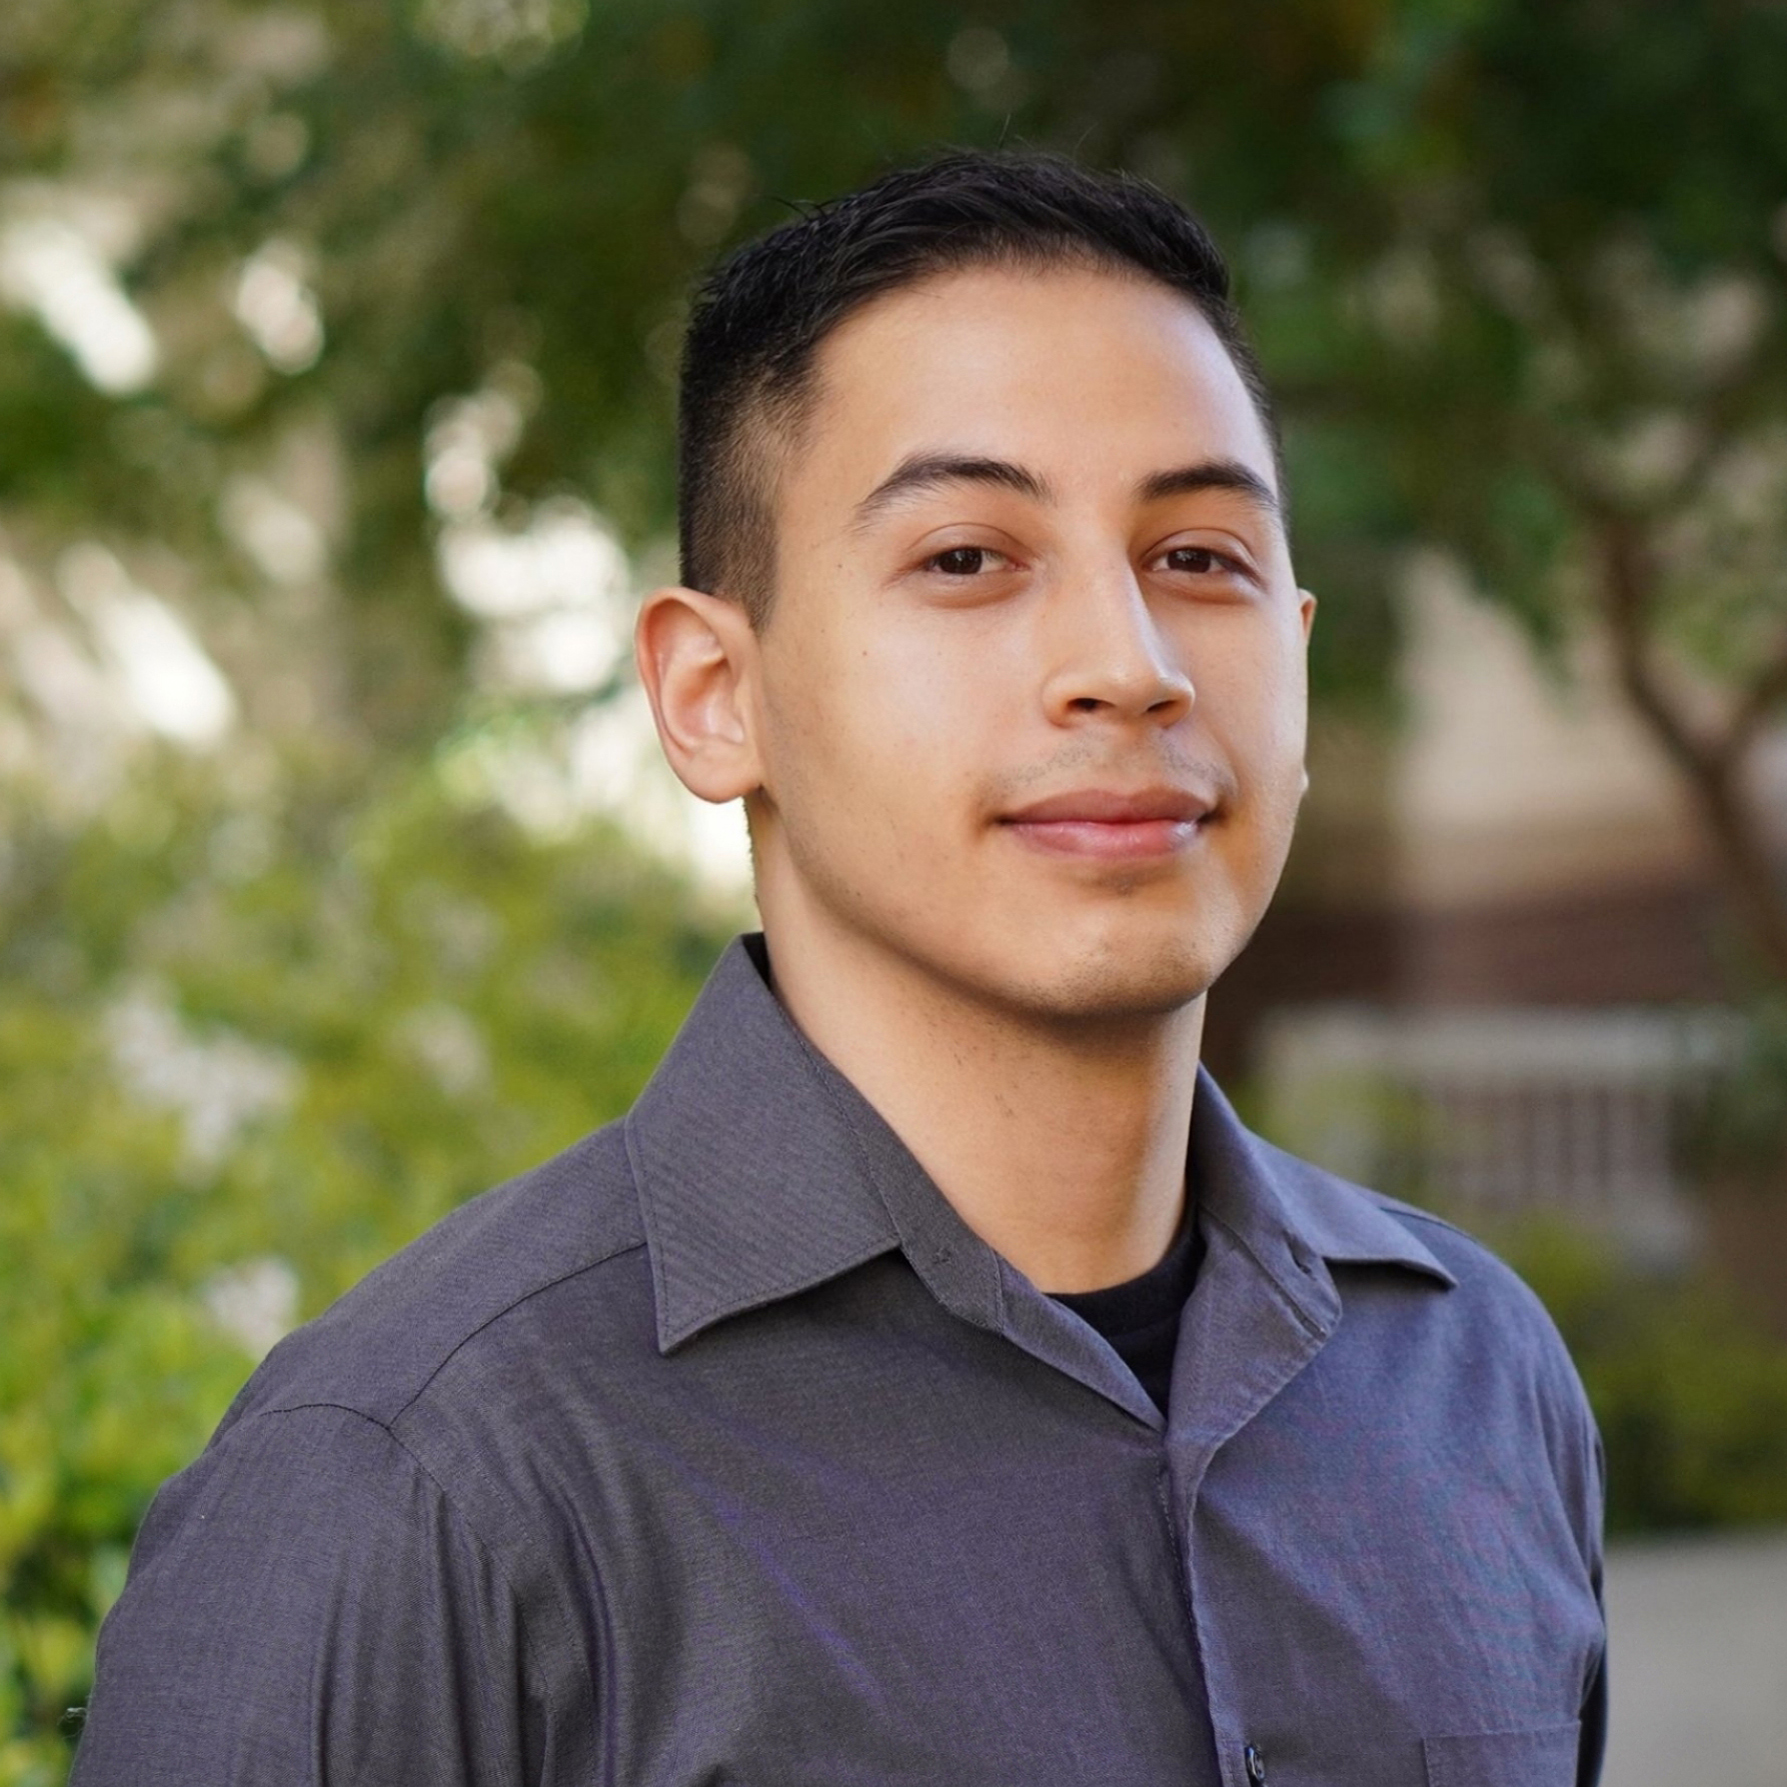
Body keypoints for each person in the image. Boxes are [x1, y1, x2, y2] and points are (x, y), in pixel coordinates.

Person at [72, 151, 1606, 1787]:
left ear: (1294, 658)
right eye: (967, 558)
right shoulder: (418, 1482)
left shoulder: (1475, 1383)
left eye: (1197, 558)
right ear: (712, 696)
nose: (1129, 666)